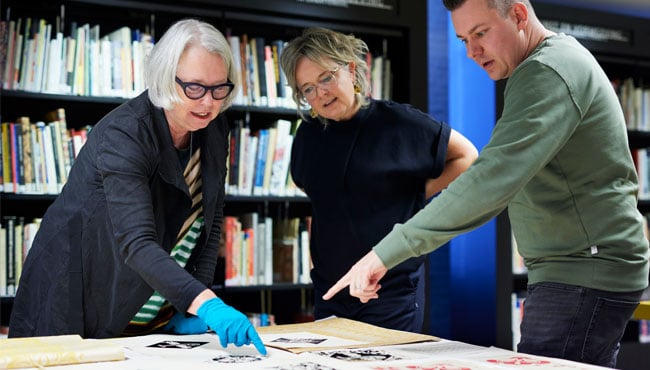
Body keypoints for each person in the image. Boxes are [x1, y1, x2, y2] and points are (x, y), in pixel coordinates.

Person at [323, 0, 650, 367]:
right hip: (580, 268)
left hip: (583, 272)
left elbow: (492, 177)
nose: (472, 51)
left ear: (520, 16)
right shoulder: (548, 63)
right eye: (463, 39)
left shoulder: (547, 70)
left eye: (481, 33)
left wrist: (387, 251)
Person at [9, 19, 266, 355]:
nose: (208, 103)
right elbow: (137, 242)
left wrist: (191, 301)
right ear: (164, 77)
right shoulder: (124, 134)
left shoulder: (215, 129)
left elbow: (211, 218)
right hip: (77, 296)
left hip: (150, 304)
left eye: (220, 89)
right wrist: (208, 304)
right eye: (195, 88)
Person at [279, 27, 478, 333]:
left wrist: (416, 195)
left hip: (389, 290)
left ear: (351, 69)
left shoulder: (398, 122)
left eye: (326, 78)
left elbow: (467, 156)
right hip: (329, 291)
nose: (320, 94)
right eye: (307, 89)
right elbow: (312, 190)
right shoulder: (307, 135)